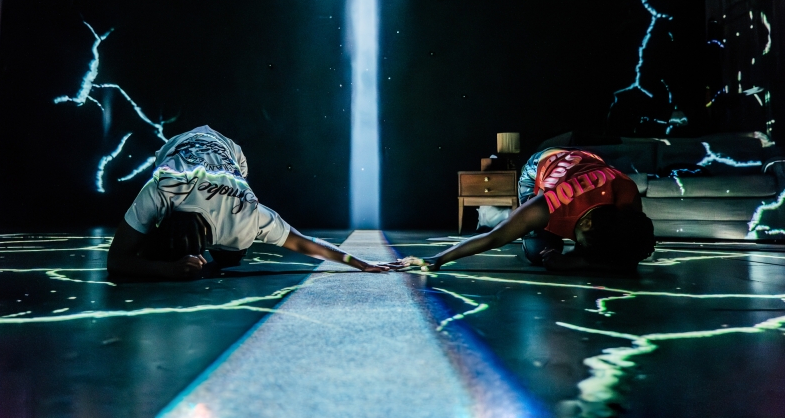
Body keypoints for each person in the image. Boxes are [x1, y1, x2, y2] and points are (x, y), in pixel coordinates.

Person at [108, 125, 395, 279]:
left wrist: (166, 269)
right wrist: (361, 263)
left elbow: (117, 261)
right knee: (225, 257)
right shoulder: (164, 186)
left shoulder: (164, 189)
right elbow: (305, 243)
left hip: (228, 153)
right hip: (185, 148)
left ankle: (211, 254)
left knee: (228, 261)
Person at [401, 148, 655, 272]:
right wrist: (439, 259)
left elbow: (628, 251)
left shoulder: (626, 194)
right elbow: (495, 237)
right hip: (539, 166)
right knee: (538, 254)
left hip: (586, 162)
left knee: (605, 253)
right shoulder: (549, 206)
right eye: (582, 243)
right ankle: (517, 220)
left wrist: (580, 261)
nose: (579, 246)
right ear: (587, 223)